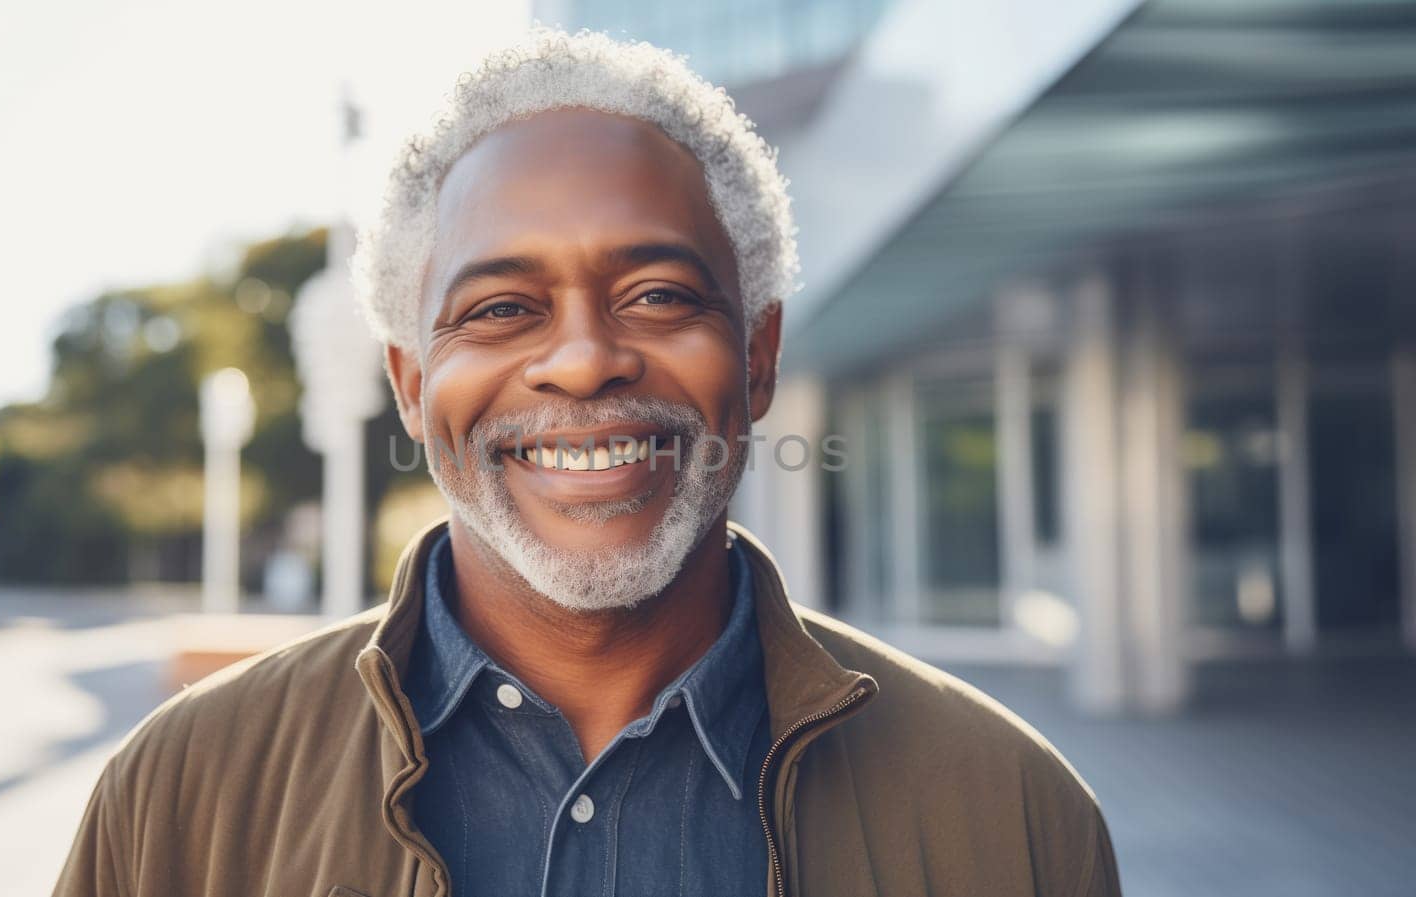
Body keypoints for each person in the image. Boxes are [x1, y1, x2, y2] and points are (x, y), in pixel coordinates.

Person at [54, 27, 1120, 897]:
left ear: (756, 358)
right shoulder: (179, 798)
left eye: (657, 294)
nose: (583, 361)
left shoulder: (1016, 815)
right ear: (413, 386)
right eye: (502, 309)